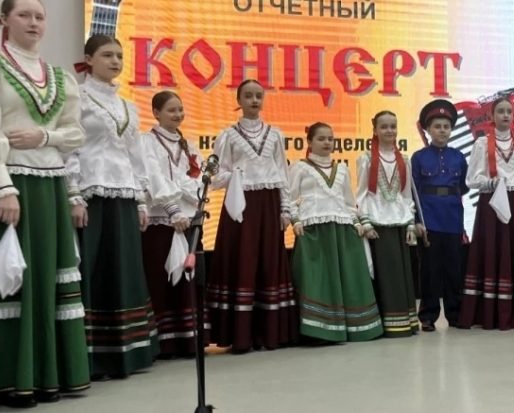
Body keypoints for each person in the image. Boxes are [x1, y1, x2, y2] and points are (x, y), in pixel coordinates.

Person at [0, 0, 90, 407]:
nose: (33, 22)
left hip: (48, 186)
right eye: (24, 14)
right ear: (4, 20)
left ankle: (43, 377)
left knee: (44, 277)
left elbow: (75, 134)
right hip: (2, 182)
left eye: (39, 16)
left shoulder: (60, 77)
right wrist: (3, 185)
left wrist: (43, 136)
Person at [68, 34, 159, 377]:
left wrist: (141, 200)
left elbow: (136, 156)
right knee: (95, 268)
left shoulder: (127, 106)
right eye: (107, 55)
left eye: (119, 55)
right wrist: (74, 194)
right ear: (89, 59)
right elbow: (71, 148)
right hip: (92, 195)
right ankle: (91, 356)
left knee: (124, 268)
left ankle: (128, 352)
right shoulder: (77, 98)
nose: (115, 61)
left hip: (124, 196)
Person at [206, 79, 298, 352]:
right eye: (248, 95)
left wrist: (285, 208)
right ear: (239, 100)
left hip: (269, 203)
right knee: (243, 259)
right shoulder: (228, 135)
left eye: (258, 95)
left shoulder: (275, 134)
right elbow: (217, 176)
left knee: (269, 260)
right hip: (240, 204)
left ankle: (269, 333)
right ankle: (240, 335)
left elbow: (282, 173)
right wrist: (236, 175)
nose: (254, 100)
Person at [288, 123, 383, 342]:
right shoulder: (300, 167)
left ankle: (353, 327)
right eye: (321, 139)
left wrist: (356, 222)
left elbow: (349, 202)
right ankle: (319, 331)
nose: (327, 143)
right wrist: (295, 220)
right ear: (309, 142)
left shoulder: (341, 169)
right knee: (317, 279)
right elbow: (290, 198)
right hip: (313, 231)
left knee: (348, 278)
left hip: (342, 230)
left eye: (330, 139)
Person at [459, 97, 514, 330]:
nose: (506, 115)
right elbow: (471, 179)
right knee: (492, 251)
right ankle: (491, 312)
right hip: (492, 203)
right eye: (501, 111)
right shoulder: (481, 143)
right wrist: (491, 182)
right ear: (492, 116)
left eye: (509, 111)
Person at [140, 91, 202, 356]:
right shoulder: (147, 142)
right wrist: (173, 208)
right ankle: (162, 344)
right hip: (161, 221)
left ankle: (187, 341)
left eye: (180, 109)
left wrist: (184, 196)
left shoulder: (189, 145)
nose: (178, 115)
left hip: (187, 219)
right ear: (156, 113)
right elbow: (153, 177)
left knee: (187, 281)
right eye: (171, 110)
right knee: (160, 279)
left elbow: (197, 180)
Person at [355, 111, 420, 337]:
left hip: (399, 221)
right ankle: (386, 322)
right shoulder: (366, 158)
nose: (389, 131)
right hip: (378, 223)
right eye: (384, 126)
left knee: (402, 274)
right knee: (385, 274)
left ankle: (405, 321)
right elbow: (361, 193)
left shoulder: (404, 159)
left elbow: (406, 194)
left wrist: (410, 223)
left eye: (393, 126)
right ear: (374, 130)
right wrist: (365, 222)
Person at [411, 100, 469, 332]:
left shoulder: (459, 157)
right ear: (428, 129)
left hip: (453, 218)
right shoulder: (418, 157)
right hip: (429, 219)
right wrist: (417, 221)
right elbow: (413, 191)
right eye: (437, 126)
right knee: (430, 270)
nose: (442, 131)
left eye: (446, 126)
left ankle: (455, 314)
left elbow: (463, 187)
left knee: (454, 269)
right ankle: (428, 316)